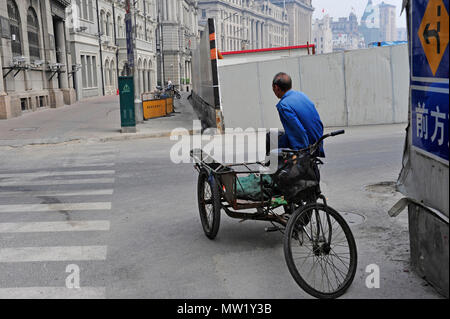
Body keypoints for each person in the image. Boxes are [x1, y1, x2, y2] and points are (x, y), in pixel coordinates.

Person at [269, 72, 325, 157]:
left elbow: (298, 131)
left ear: (276, 87)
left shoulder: (283, 105)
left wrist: (299, 154)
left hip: (306, 145)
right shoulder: (301, 95)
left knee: (270, 141)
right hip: (317, 141)